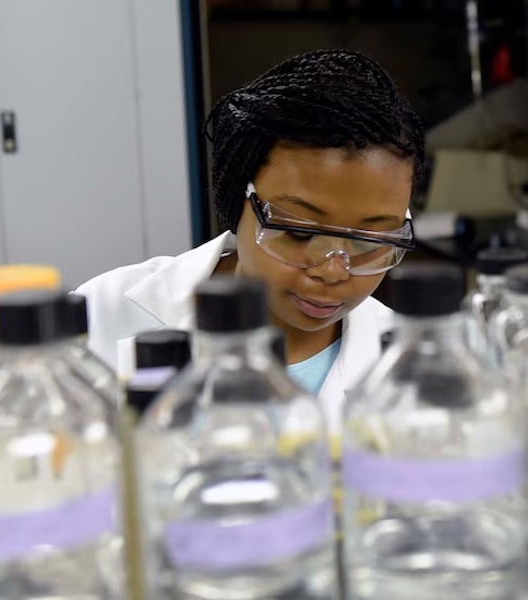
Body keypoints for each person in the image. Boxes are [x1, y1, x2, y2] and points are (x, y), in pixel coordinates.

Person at [77, 49, 425, 432]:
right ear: (236, 196)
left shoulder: (414, 366)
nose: (332, 270)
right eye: (299, 232)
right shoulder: (100, 316)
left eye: (368, 240)